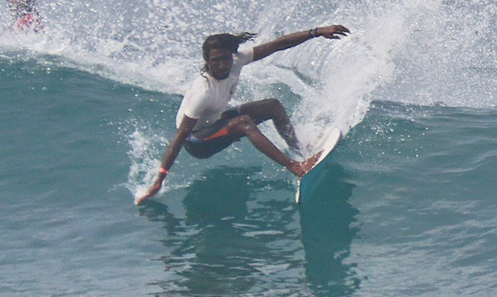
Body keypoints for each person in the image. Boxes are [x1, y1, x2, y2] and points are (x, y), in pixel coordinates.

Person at [137, 24, 351, 203]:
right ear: (207, 60)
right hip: (197, 141)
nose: (222, 65)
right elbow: (180, 136)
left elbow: (276, 46)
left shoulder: (237, 61)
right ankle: (296, 167)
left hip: (215, 122)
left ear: (232, 55)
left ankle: (299, 149)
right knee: (244, 123)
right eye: (215, 60)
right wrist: (160, 179)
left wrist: (316, 32)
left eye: (225, 58)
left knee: (272, 105)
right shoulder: (202, 91)